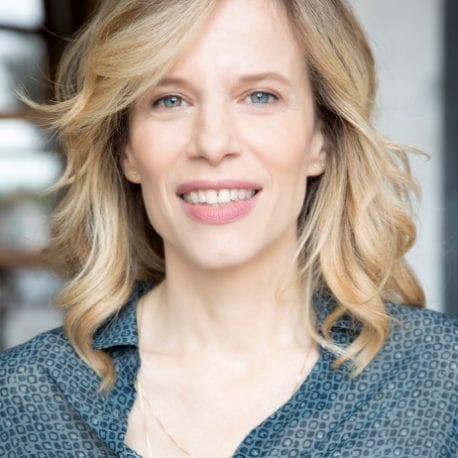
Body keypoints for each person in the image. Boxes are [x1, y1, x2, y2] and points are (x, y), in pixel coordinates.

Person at [0, 0, 457, 456]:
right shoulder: (24, 399)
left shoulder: (440, 377)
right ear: (127, 151)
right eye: (170, 100)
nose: (214, 143)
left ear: (322, 139)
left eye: (260, 96)